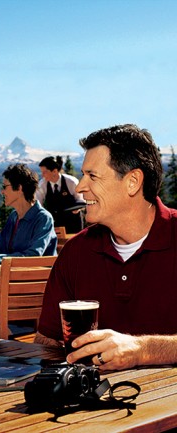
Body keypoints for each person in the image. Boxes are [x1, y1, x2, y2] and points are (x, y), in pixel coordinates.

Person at [35, 124, 177, 371]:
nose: (80, 187)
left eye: (93, 176)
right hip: (95, 406)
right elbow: (46, 339)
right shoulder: (75, 252)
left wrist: (142, 350)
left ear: (133, 182)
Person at [0, 163, 57, 264]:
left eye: (5, 187)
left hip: (37, 278)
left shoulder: (43, 218)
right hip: (12, 276)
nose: (2, 192)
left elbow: (33, 255)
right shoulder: (13, 217)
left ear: (19, 188)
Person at [36, 156, 85, 234]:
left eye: (44, 172)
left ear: (54, 171)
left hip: (73, 222)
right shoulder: (42, 185)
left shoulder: (71, 182)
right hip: (55, 223)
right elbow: (38, 206)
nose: (42, 175)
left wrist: (78, 208)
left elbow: (80, 200)